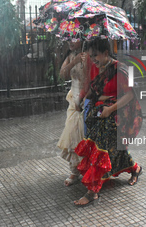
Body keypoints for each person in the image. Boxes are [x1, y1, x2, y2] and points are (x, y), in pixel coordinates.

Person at [73, 39, 143, 206]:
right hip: (101, 114)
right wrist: (82, 99)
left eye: (95, 55)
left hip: (117, 117)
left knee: (102, 151)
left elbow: (130, 95)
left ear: (106, 53)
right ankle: (135, 168)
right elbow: (94, 89)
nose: (93, 59)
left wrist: (110, 108)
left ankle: (92, 193)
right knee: (111, 149)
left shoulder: (119, 69)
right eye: (91, 56)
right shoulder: (100, 69)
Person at [57, 40, 90, 186]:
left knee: (84, 136)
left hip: (86, 99)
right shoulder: (71, 56)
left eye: (75, 38)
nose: (70, 41)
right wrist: (74, 61)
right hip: (73, 100)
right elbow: (62, 74)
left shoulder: (90, 55)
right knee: (71, 135)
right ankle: (74, 171)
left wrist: (83, 99)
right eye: (69, 38)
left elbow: (91, 79)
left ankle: (87, 170)